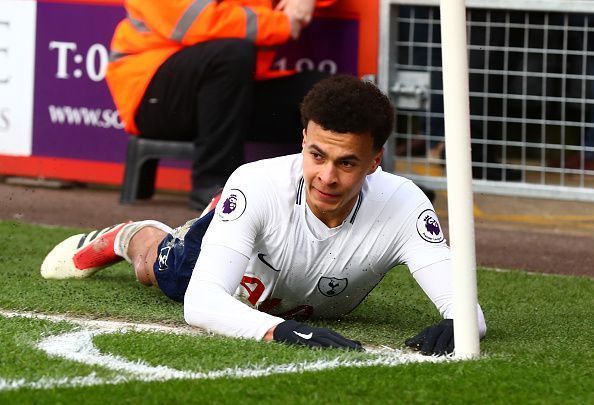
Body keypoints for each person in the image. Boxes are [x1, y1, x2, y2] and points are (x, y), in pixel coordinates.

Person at [42, 75, 486, 355]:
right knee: (163, 273)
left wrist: (459, 324)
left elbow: (465, 306)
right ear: (303, 140)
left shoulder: (405, 204)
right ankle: (131, 236)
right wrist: (282, 333)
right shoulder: (258, 184)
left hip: (306, 296)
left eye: (347, 163)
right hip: (244, 261)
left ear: (375, 161)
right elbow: (202, 304)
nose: (326, 177)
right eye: (316, 155)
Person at [106, 0, 333, 209]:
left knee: (321, 94)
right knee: (231, 54)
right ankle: (217, 190)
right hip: (151, 93)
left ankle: (321, 194)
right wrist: (282, 23)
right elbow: (198, 23)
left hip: (231, 91)